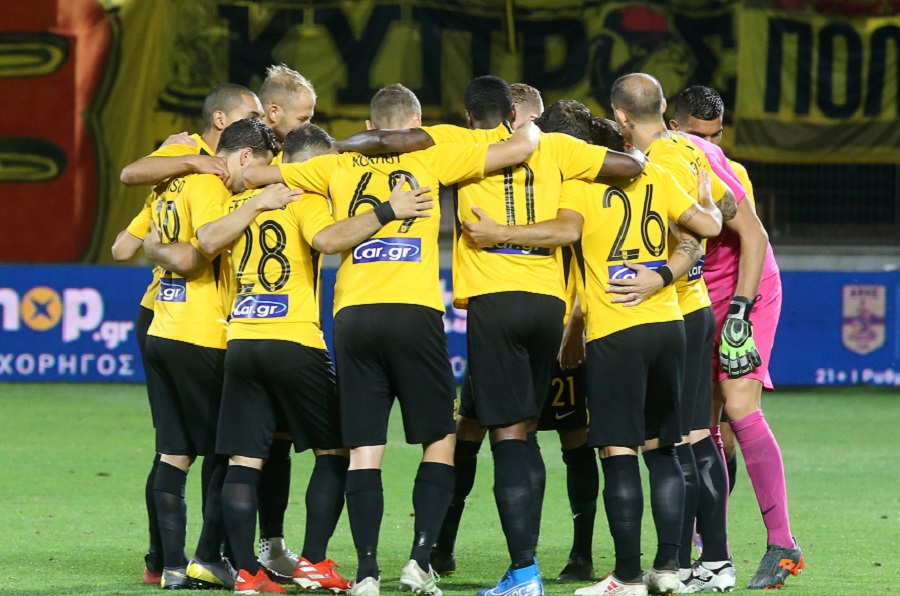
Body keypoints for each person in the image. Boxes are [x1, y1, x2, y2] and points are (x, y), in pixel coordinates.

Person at [244, 83, 541, 596]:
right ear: (417, 125)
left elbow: (251, 174)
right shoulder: (434, 155)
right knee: (440, 439)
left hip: (354, 315)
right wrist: (529, 124)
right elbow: (518, 148)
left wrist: (341, 148)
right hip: (413, 312)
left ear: (369, 125)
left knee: (364, 449)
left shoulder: (334, 164)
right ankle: (419, 561)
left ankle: (366, 573)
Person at [192, 122, 435, 595]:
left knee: (244, 460)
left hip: (242, 340)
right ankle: (314, 562)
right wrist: (386, 211)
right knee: (337, 450)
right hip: (295, 341)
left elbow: (205, 240)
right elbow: (328, 240)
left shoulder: (239, 203)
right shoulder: (305, 199)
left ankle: (246, 574)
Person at [430, 90, 601, 584]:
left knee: (564, 434)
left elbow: (582, 249)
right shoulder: (509, 159)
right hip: (534, 314)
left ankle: (569, 556)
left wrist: (577, 325)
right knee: (476, 428)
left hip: (556, 322)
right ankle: (444, 547)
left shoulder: (562, 167)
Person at [112, 83, 264, 586]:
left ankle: (165, 563)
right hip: (201, 328)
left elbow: (121, 248)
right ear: (222, 121)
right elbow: (198, 251)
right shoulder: (201, 175)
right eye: (251, 114)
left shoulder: (170, 182)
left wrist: (155, 248)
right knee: (227, 448)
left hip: (160, 318)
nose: (261, 123)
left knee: (173, 448)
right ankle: (207, 556)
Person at [670, 85, 803, 591]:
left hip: (748, 291)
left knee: (741, 408)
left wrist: (741, 313)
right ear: (673, 126)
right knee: (702, 425)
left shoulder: (716, 165)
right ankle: (710, 553)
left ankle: (782, 544)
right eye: (698, 134)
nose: (709, 144)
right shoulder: (661, 161)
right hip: (699, 298)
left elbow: (756, 238)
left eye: (716, 135)